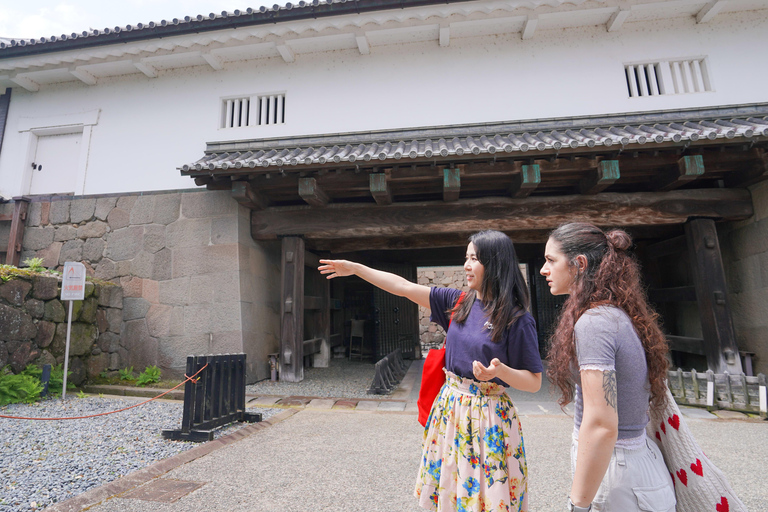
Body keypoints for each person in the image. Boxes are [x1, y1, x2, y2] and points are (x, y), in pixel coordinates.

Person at [318, 230, 543, 512]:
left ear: (495, 263)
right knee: (450, 491)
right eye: (466, 257)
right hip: (450, 410)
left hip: (489, 418)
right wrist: (356, 269)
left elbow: (534, 382)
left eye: (474, 258)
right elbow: (402, 286)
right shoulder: (459, 302)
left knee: (487, 496)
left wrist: (500, 372)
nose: (466, 265)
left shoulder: (517, 318)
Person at [540, 222, 676, 512]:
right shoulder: (614, 313)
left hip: (619, 472)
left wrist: (577, 505)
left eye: (551, 260)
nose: (543, 269)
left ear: (579, 264)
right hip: (630, 465)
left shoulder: (595, 322)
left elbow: (602, 424)